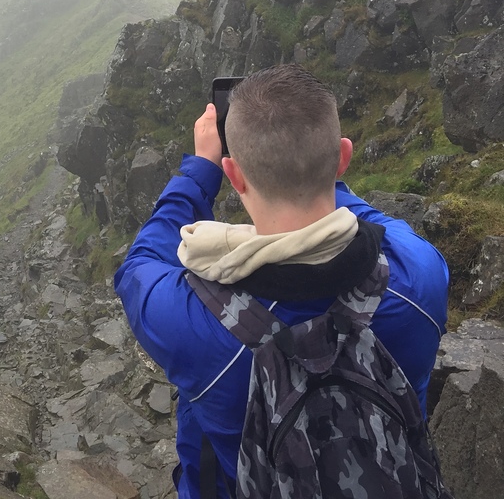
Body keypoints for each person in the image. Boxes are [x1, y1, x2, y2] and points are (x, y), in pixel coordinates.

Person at [114, 65, 449, 498]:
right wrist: (315, 166)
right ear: (342, 157)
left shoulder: (191, 321)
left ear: (234, 176)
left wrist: (201, 169)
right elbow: (371, 222)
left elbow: (140, 263)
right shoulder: (420, 276)